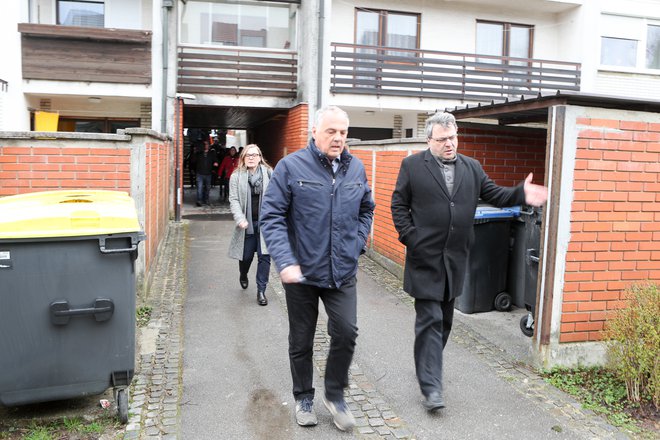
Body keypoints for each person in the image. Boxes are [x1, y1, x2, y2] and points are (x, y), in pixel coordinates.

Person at [390, 112, 548, 411]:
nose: (449, 144)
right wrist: (411, 237)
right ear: (429, 140)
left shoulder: (471, 168)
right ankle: (431, 387)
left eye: (453, 137)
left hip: (455, 260)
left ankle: (427, 365)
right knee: (430, 321)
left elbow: (496, 195)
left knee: (445, 322)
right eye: (442, 139)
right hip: (425, 259)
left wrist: (521, 193)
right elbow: (398, 204)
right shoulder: (412, 165)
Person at [260, 106, 375, 431]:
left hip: (342, 270)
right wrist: (285, 260)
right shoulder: (290, 167)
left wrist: (358, 244)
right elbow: (271, 216)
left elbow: (367, 208)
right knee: (301, 339)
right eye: (331, 131)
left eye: (343, 132)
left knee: (346, 332)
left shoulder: (356, 169)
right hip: (301, 274)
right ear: (315, 131)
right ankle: (304, 397)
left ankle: (335, 394)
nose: (338, 138)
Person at [228, 144, 272, 306]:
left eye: (255, 155)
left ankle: (261, 290)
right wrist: (240, 218)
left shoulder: (269, 174)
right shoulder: (236, 176)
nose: (251, 158)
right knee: (246, 256)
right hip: (247, 225)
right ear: (243, 158)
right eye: (248, 155)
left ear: (260, 157)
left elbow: (277, 198)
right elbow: (233, 199)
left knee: (264, 257)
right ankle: (243, 273)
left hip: (265, 224)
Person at [194, 140, 218, 206]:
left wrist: (215, 164)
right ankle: (199, 201)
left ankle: (206, 200)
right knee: (199, 188)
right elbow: (194, 162)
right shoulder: (199, 153)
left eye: (207, 144)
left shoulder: (212, 153)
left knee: (207, 188)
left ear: (209, 146)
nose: (206, 145)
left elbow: (216, 161)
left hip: (208, 174)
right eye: (204, 144)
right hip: (200, 174)